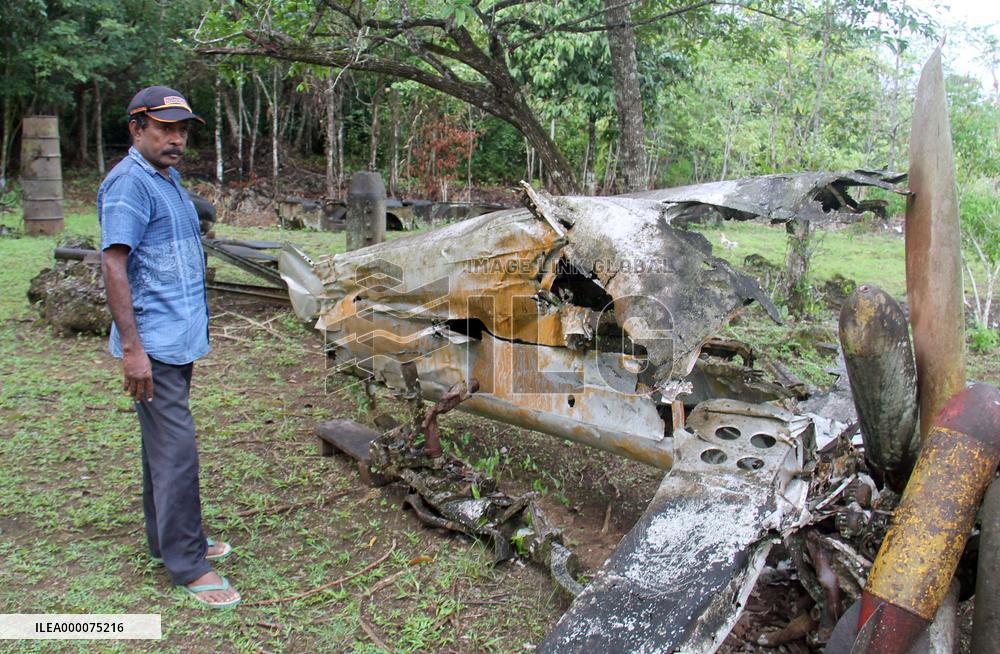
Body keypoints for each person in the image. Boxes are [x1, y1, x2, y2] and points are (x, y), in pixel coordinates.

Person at [98, 86, 240, 609]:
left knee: (161, 448)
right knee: (177, 452)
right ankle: (188, 564)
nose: (176, 138)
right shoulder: (129, 185)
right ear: (138, 128)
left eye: (182, 129)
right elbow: (114, 264)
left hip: (176, 342)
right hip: (153, 344)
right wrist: (133, 351)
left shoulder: (168, 180)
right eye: (164, 128)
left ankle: (169, 540)